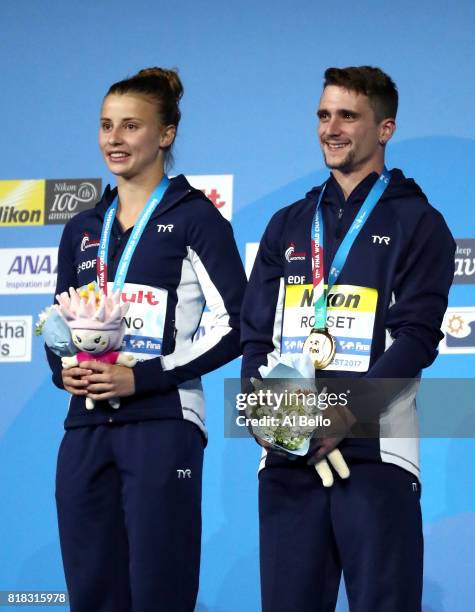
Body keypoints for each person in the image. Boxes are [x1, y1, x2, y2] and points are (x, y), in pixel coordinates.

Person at [241, 66, 455, 612]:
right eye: (323, 114)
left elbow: (416, 338)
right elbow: (254, 336)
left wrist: (347, 413)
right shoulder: (288, 223)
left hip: (375, 456)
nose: (330, 128)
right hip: (289, 460)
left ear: (384, 129)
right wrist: (269, 416)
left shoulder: (419, 222)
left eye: (347, 116)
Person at [46, 67, 247, 612]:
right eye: (107, 125)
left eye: (131, 125)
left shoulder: (196, 218)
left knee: (159, 591)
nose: (114, 138)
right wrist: (61, 366)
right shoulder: (82, 227)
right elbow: (56, 324)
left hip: (164, 422)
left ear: (166, 134)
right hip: (85, 424)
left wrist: (144, 377)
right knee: (91, 592)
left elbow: (240, 324)